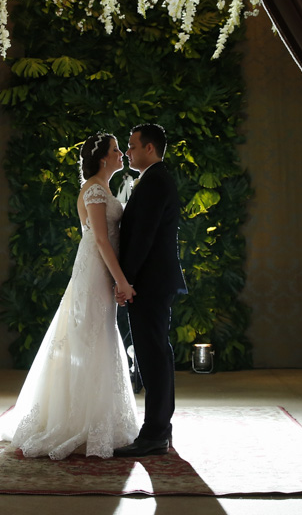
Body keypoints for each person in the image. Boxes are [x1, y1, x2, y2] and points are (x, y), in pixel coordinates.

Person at [5, 133, 140, 459]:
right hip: (94, 270)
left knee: (99, 337)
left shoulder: (105, 188)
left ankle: (100, 418)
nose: (121, 153)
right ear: (103, 158)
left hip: (101, 270)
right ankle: (76, 421)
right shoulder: (94, 189)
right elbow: (101, 241)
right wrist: (121, 280)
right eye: (116, 149)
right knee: (88, 338)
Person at [113, 122, 186, 457]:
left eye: (131, 145)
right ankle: (160, 429)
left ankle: (155, 432)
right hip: (153, 280)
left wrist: (125, 280)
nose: (128, 151)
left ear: (150, 149)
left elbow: (143, 236)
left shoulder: (155, 181)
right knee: (156, 353)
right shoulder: (153, 179)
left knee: (153, 355)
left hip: (150, 282)